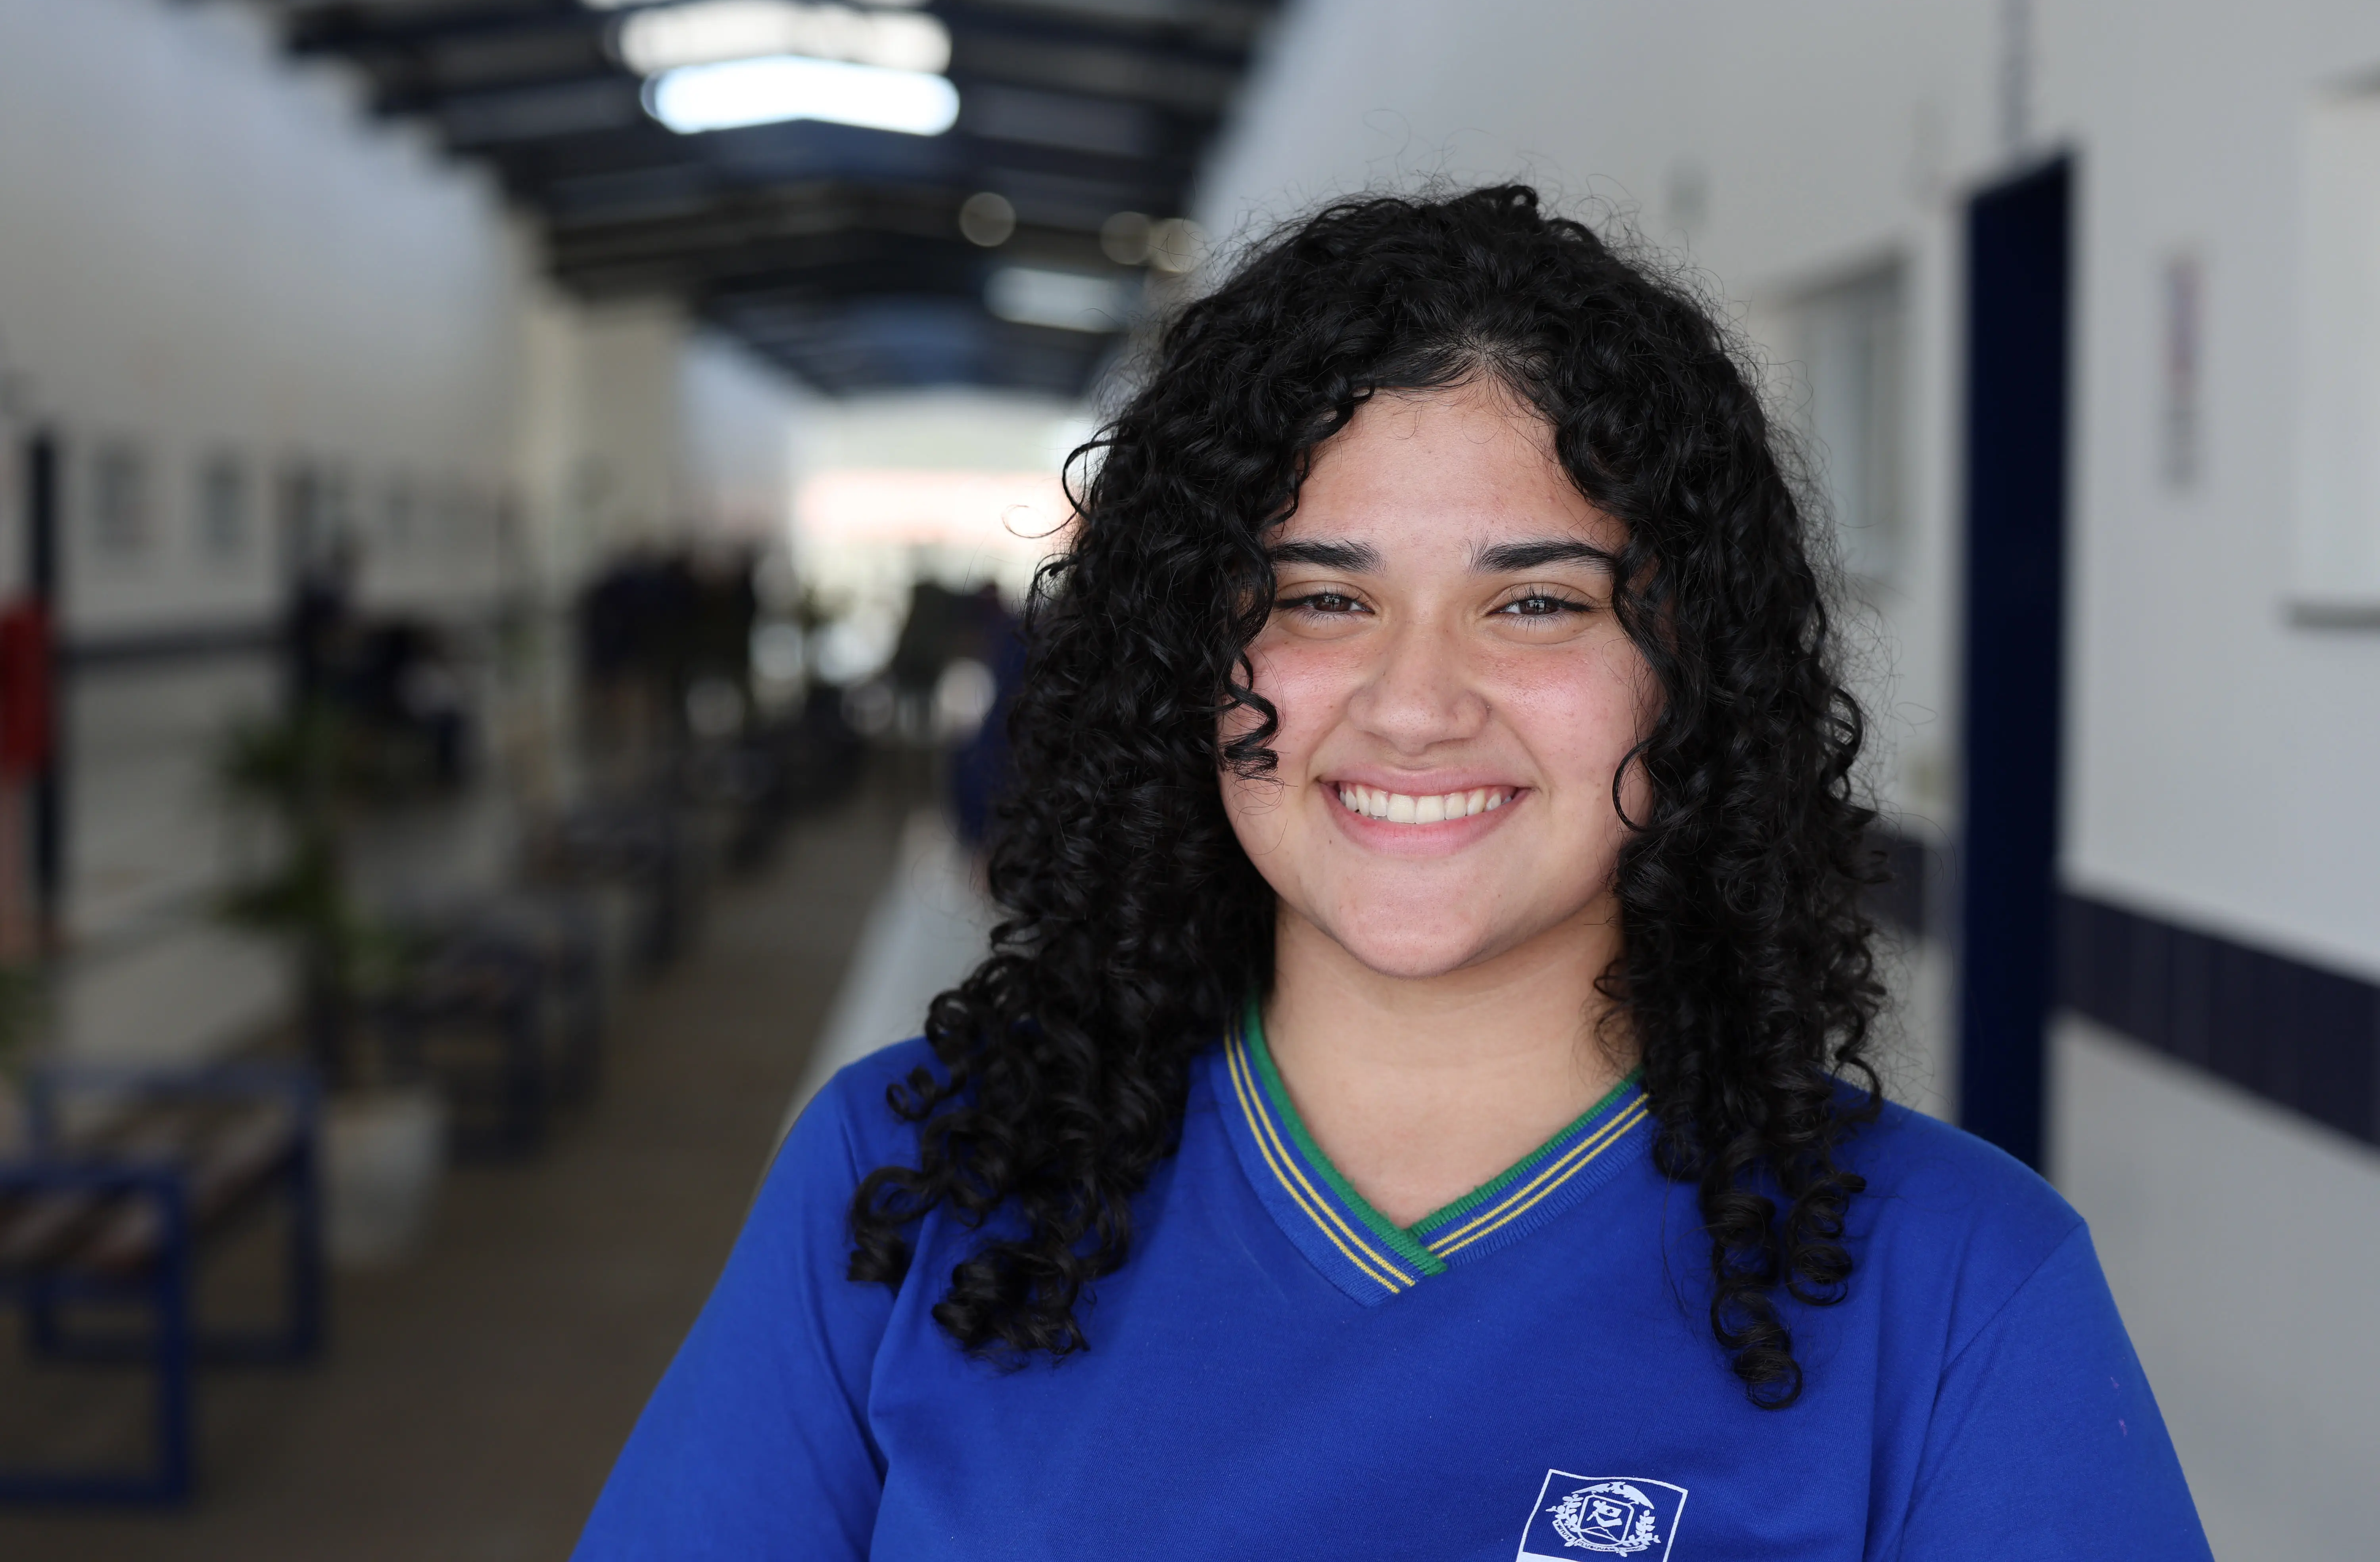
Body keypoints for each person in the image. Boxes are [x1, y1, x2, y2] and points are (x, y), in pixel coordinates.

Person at [573, 187, 2211, 1560]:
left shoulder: (1958, 1287)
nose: (1417, 705)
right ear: (1182, 660)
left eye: (1537, 603)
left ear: (1691, 673)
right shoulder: (910, 1184)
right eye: (1321, 600)